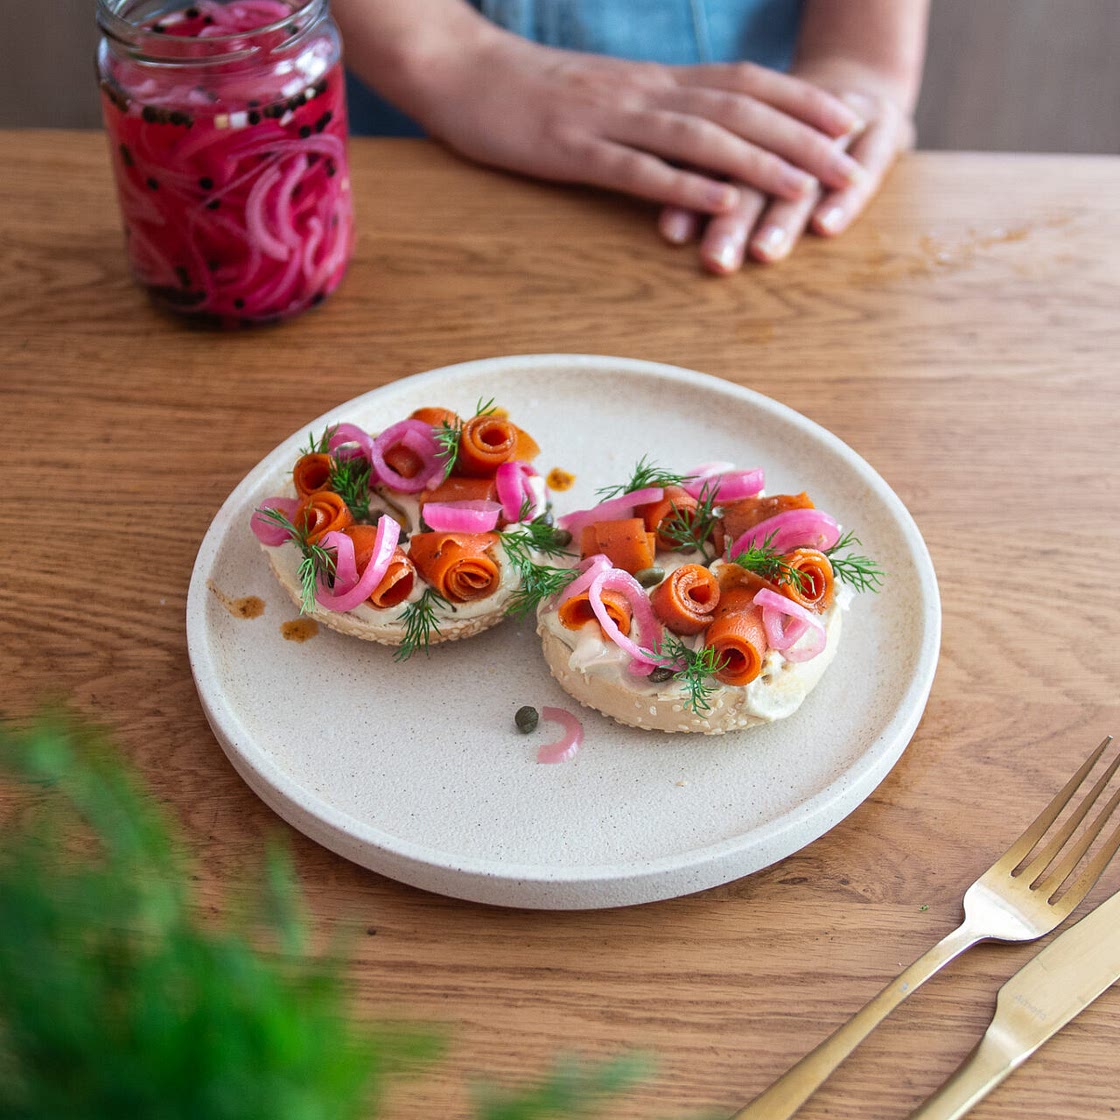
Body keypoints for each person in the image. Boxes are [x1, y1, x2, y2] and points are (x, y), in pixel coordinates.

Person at [331, 0, 928, 273]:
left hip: (743, 137)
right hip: (401, 135)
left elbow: (860, 59)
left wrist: (857, 60)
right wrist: (456, 60)